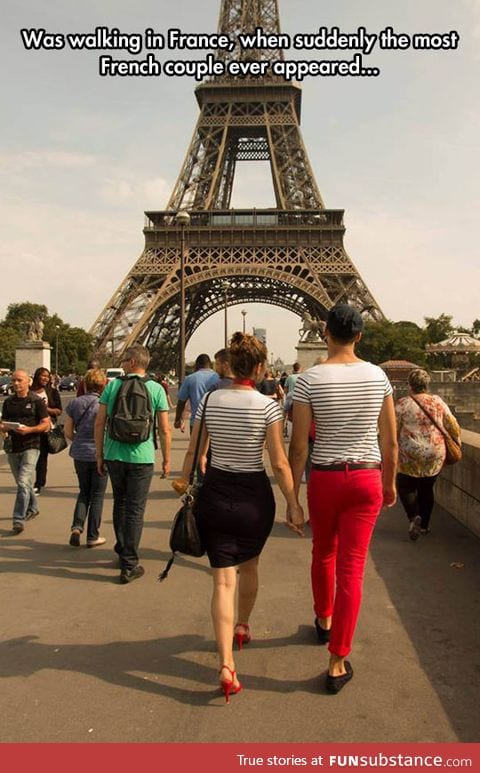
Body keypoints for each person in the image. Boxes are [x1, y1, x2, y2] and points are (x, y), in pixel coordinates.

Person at [176, 332, 304, 702]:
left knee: (221, 583)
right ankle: (243, 625)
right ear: (261, 368)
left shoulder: (212, 400)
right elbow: (279, 463)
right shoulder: (268, 407)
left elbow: (195, 451)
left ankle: (227, 664)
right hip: (253, 498)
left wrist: (184, 480)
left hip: (215, 493)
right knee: (249, 568)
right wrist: (293, 503)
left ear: (230, 365)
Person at [289, 304, 397, 694]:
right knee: (352, 569)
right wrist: (390, 481)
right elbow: (390, 439)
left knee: (323, 552)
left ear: (326, 334)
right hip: (367, 476)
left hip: (326, 479)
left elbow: (299, 446)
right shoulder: (378, 376)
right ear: (360, 336)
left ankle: (323, 619)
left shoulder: (308, 380)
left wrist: (293, 497)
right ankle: (337, 660)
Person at [94, 345, 171, 583]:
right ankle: (129, 563)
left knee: (120, 503)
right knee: (136, 510)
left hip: (114, 455)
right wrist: (167, 460)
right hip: (142, 457)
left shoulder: (113, 386)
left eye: (125, 360)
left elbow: (99, 423)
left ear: (132, 362)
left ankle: (122, 550)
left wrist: (99, 454)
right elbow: (165, 430)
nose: (123, 363)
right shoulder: (156, 388)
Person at [395, 368, 461, 539]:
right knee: (427, 488)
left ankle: (413, 516)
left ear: (409, 385)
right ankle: (424, 526)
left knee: (405, 485)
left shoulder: (402, 404)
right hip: (435, 451)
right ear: (426, 384)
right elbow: (452, 424)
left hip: (411, 453)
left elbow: (393, 428)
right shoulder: (437, 401)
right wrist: (457, 442)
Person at [0, 370, 50, 532]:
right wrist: (4, 428)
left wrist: (29, 430)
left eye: (19, 380)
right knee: (23, 483)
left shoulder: (36, 401)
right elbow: (3, 423)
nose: (15, 383)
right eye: (13, 381)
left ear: (28, 382)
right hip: (13, 446)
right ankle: (33, 507)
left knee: (22, 482)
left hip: (32, 445)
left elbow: (46, 424)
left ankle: (18, 518)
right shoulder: (8, 402)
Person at [64, 368, 109, 548]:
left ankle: (76, 527)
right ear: (103, 384)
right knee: (97, 496)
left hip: (80, 454)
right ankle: (92, 535)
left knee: (84, 492)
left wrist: (80, 440)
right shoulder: (105, 404)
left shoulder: (75, 403)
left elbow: (68, 431)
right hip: (100, 454)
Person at [31, 367, 62, 494]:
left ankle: (39, 483)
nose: (45, 378)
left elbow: (59, 411)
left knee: (42, 458)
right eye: (42, 375)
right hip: (30, 428)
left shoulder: (52, 392)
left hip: (45, 428)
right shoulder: (29, 391)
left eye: (47, 376)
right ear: (37, 376)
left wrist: (45, 409)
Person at [174, 354, 219, 433]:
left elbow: (181, 401)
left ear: (197, 364)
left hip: (196, 422)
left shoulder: (190, 379)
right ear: (210, 364)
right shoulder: (218, 378)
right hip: (215, 422)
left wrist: (178, 419)